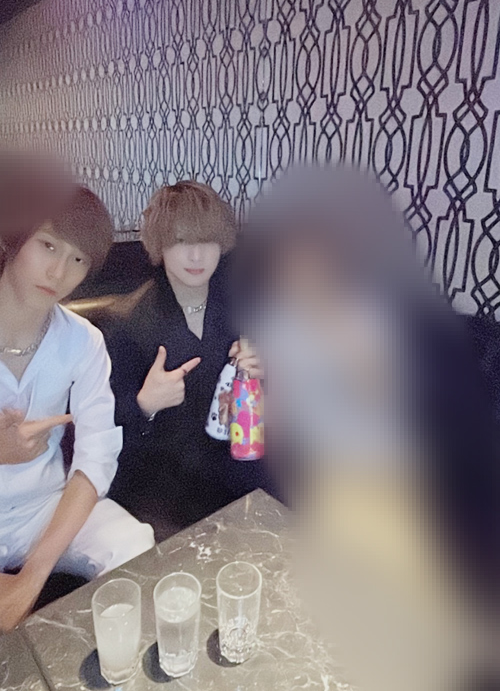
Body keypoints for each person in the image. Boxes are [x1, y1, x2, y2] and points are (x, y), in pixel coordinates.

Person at [234, 164, 500, 691]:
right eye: (291, 265)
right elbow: (274, 422)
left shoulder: (368, 316)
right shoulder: (273, 326)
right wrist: (253, 377)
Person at [0, 186, 155, 632]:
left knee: (134, 544)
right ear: (15, 238)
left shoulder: (82, 342)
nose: (58, 271)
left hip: (42, 507)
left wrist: (30, 579)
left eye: (78, 258)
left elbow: (96, 455)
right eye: (48, 245)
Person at [104, 181, 276, 534]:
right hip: (166, 478)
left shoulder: (244, 305)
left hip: (238, 462)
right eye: (182, 241)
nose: (197, 256)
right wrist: (145, 405)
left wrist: (264, 373)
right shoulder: (128, 322)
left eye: (207, 241)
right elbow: (101, 433)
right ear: (160, 245)